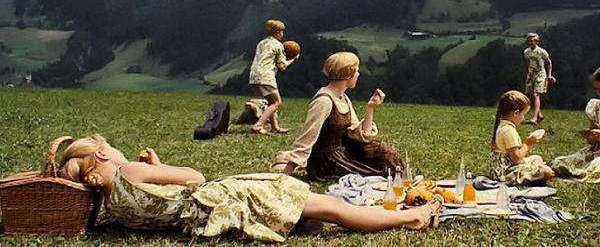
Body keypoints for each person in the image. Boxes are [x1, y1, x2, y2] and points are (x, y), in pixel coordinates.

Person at [57, 135, 442, 243]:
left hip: (208, 220)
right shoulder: (129, 170)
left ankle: (299, 220)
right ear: (104, 154)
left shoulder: (112, 206)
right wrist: (156, 167)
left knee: (317, 211)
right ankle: (411, 216)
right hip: (222, 199)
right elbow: (193, 177)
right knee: (330, 205)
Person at [273, 52, 402, 181]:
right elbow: (307, 137)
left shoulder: (343, 98)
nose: (358, 74)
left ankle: (401, 175)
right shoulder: (323, 101)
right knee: (378, 172)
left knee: (386, 152)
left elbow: (358, 134)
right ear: (348, 74)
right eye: (356, 71)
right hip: (327, 161)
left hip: (343, 152)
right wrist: (286, 175)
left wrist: (370, 108)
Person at [490, 90, 555, 185]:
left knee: (537, 158)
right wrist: (527, 144)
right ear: (516, 113)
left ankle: (536, 170)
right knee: (547, 172)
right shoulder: (509, 131)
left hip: (501, 169)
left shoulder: (502, 125)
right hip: (506, 173)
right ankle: (538, 172)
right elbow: (516, 159)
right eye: (523, 114)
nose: (524, 118)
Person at [248, 19, 299, 135]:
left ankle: (275, 127)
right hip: (266, 76)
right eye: (282, 32)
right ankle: (258, 125)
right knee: (277, 102)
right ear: (278, 32)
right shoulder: (278, 45)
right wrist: (293, 59)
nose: (282, 35)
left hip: (254, 75)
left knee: (271, 102)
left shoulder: (261, 43)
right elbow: (282, 66)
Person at [523, 33, 555, 124]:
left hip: (540, 73)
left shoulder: (542, 52)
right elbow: (528, 63)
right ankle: (539, 115)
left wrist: (549, 75)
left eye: (533, 41)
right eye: (529, 41)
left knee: (536, 94)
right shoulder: (526, 52)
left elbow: (549, 62)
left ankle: (534, 118)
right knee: (530, 94)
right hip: (531, 73)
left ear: (537, 42)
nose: (531, 43)